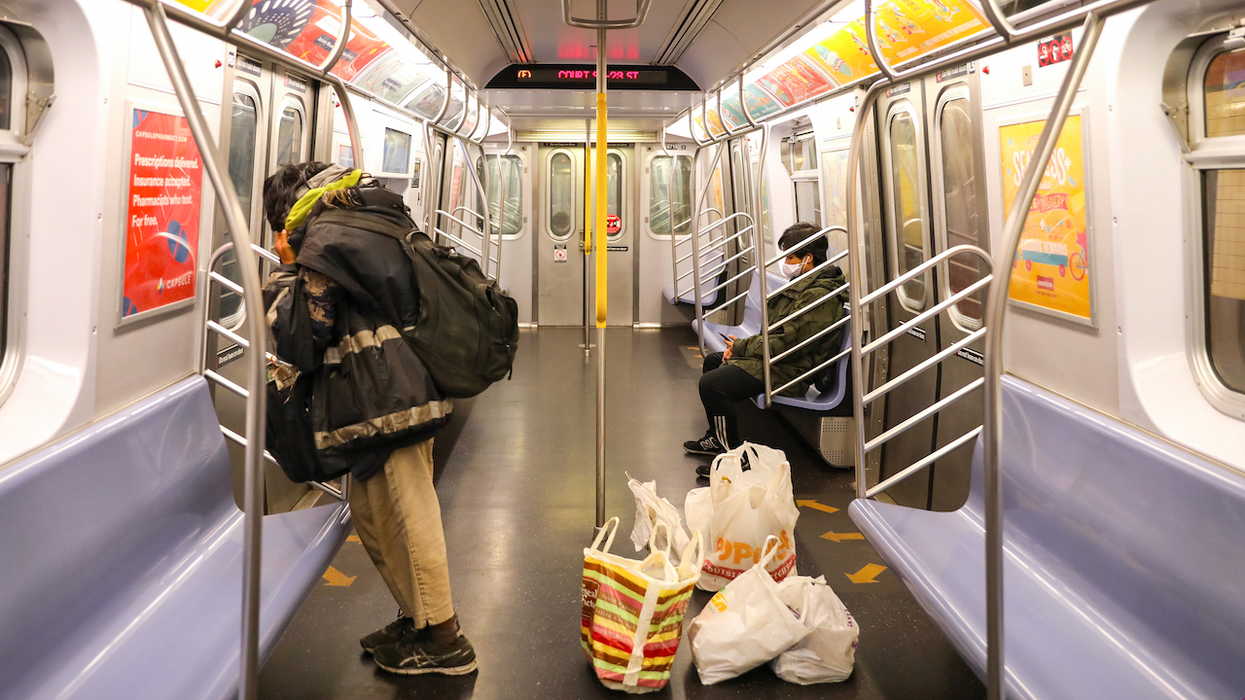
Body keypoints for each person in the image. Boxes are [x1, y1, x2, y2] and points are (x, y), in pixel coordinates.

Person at [261, 162, 476, 676]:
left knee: (407, 517)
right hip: (388, 395)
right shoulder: (363, 219)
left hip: (387, 404)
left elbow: (303, 339)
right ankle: (418, 619)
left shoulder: (322, 244)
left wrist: (285, 271)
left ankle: (445, 639)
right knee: (378, 520)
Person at [684, 222, 847, 459]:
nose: (786, 263)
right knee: (713, 361)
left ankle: (728, 452)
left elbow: (788, 343)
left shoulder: (819, 296)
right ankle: (717, 437)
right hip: (778, 360)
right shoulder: (805, 286)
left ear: (808, 258)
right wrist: (740, 350)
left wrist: (741, 347)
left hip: (790, 370)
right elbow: (779, 334)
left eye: (790, 257)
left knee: (712, 384)